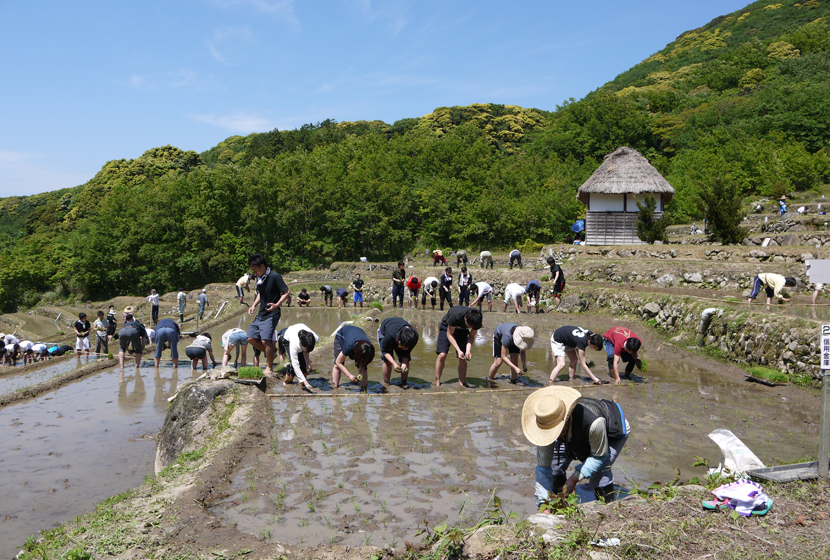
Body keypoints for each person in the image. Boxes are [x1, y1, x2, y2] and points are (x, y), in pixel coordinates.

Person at [523, 386, 630, 505]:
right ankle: (560, 504)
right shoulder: (547, 421)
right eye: (548, 432)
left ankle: (608, 507)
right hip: (573, 433)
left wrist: (574, 479)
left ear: (566, 421)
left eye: (554, 432)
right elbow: (543, 469)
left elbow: (599, 456)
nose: (550, 435)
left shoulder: (594, 422)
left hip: (611, 430)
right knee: (555, 468)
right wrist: (544, 503)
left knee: (600, 471)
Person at [247, 254, 291, 375]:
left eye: (255, 269)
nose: (254, 272)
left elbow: (286, 292)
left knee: (266, 341)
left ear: (262, 266)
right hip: (261, 313)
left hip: (272, 313)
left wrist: (277, 304)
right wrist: (253, 305)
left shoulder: (275, 276)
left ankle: (269, 367)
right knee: (251, 337)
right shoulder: (260, 278)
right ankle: (272, 354)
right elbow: (260, 294)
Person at [435, 306, 483, 388]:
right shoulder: (455, 315)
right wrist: (458, 350)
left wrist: (468, 350)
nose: (471, 327)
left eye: (472, 326)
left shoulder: (477, 321)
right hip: (447, 328)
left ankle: (461, 383)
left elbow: (471, 336)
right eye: (469, 325)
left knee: (463, 358)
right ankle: (437, 381)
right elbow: (449, 335)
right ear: (465, 317)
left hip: (462, 331)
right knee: (442, 355)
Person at [332, 323, 375, 391]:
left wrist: (360, 372)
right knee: (337, 366)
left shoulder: (369, 347)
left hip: (357, 333)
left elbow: (363, 365)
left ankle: (364, 389)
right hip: (342, 335)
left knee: (364, 367)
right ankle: (335, 387)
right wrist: (349, 375)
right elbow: (338, 362)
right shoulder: (349, 346)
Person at [276, 323, 319, 392]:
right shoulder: (294, 344)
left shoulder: (315, 338)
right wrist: (307, 383)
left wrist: (308, 362)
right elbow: (295, 364)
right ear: (301, 345)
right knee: (293, 366)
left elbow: (306, 351)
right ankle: (288, 382)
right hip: (288, 338)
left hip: (300, 331)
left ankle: (301, 383)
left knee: (303, 364)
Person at [378, 317, 419, 385]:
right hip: (384, 330)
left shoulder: (414, 337)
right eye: (403, 346)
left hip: (399, 333)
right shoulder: (390, 335)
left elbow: (407, 354)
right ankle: (387, 383)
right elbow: (385, 352)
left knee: (406, 361)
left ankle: (404, 382)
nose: (404, 349)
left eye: (406, 347)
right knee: (387, 361)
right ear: (399, 340)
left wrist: (404, 362)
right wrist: (394, 364)